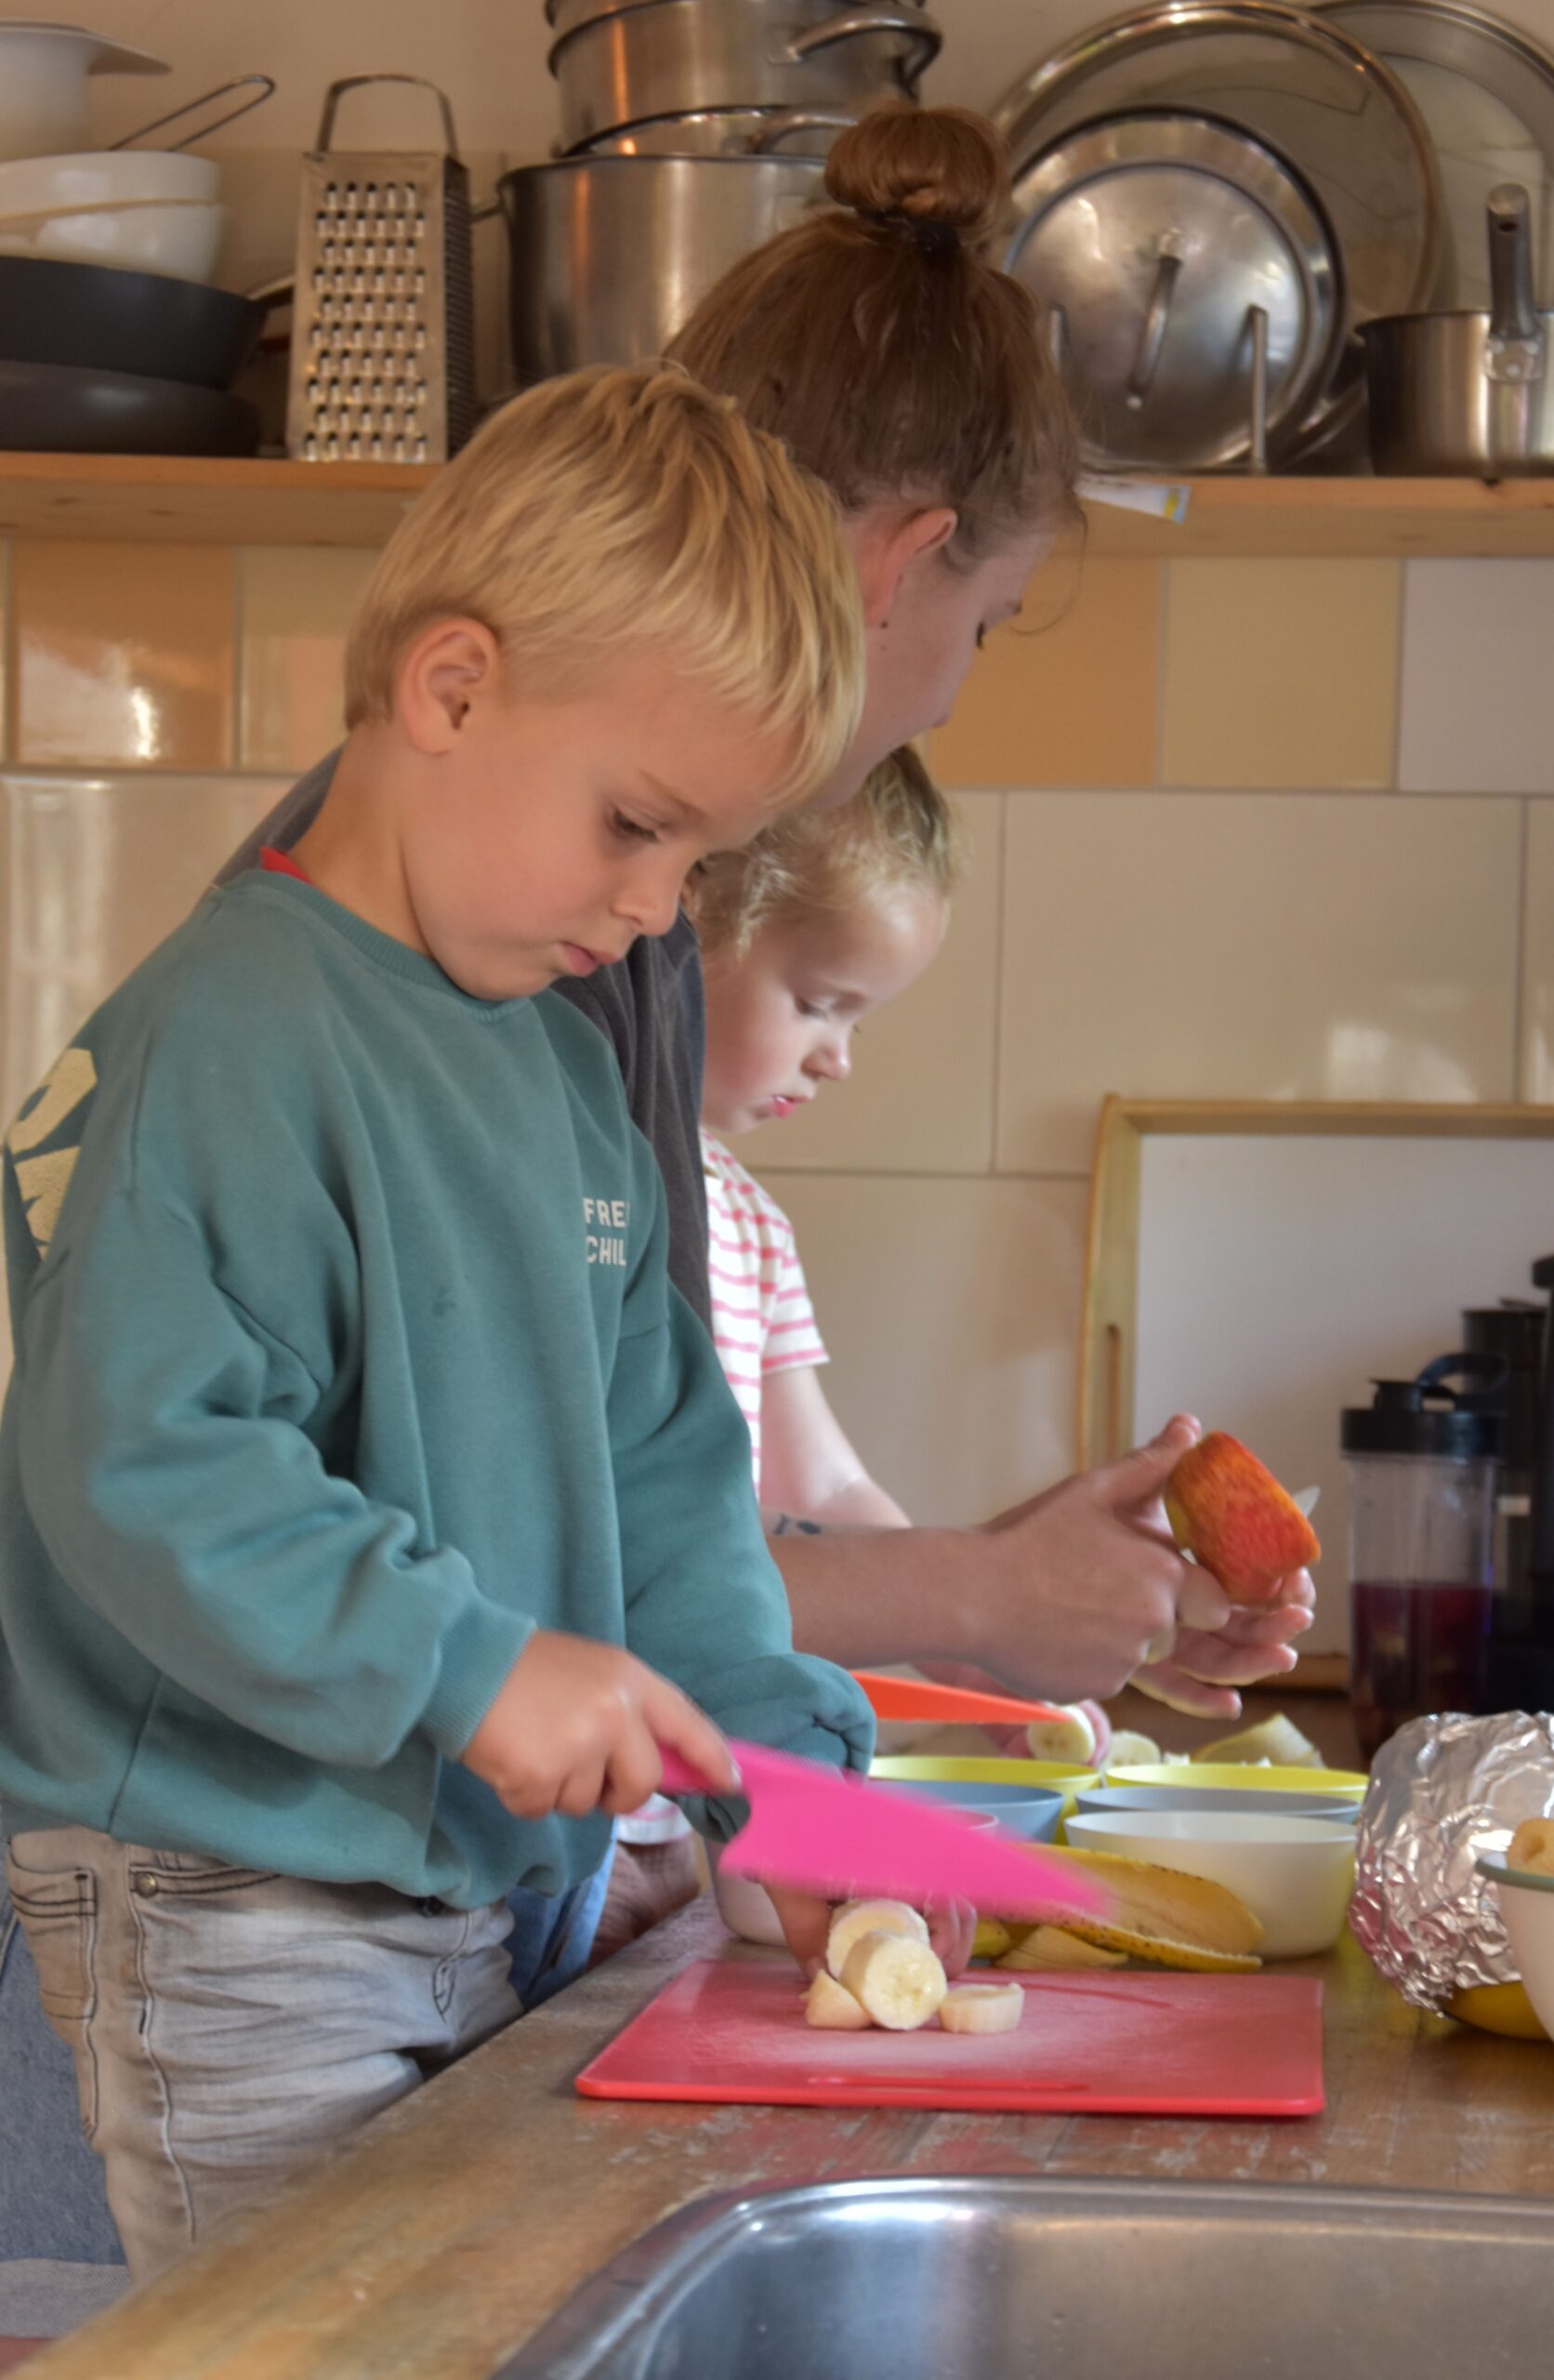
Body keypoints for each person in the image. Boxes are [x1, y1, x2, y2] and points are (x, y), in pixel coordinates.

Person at [0, 365, 929, 2286]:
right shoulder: (235, 1034)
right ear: (448, 689)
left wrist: (788, 1767)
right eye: (633, 825)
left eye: (698, 865)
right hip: (231, 1888)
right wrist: (470, 1662)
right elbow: (143, 1457)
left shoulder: (550, 1069)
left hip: (455, 1886)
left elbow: (671, 1472)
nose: (657, 907)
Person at [221, 107, 1313, 1735]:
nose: (944, 698)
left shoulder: (580, 886)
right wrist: (976, 1597)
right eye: (989, 627)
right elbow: (526, 1555)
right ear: (903, 568)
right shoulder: (517, 927)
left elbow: (652, 1513)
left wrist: (1022, 1595)